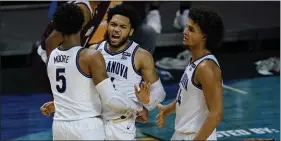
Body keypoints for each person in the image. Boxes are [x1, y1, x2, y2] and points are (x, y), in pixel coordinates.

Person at [41, 4, 166, 140]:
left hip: (121, 124)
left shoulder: (141, 56)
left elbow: (159, 93)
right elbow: (82, 88)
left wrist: (147, 101)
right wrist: (62, 104)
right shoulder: (93, 51)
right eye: (113, 24)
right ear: (107, 25)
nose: (116, 30)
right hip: (95, 122)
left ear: (131, 31)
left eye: (122, 27)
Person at [156, 6, 224, 140]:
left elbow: (216, 113)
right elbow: (188, 99)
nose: (185, 32)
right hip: (182, 135)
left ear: (204, 37)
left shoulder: (206, 67)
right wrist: (167, 109)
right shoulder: (195, 60)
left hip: (196, 136)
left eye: (191, 30)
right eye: (186, 27)